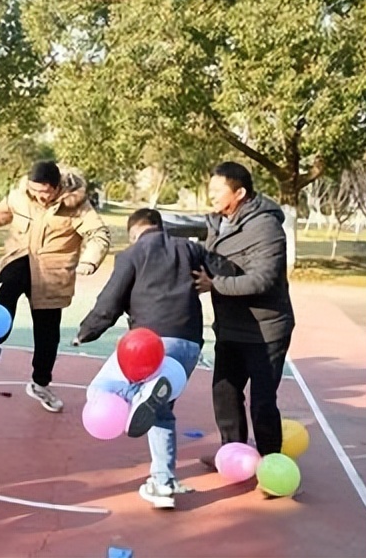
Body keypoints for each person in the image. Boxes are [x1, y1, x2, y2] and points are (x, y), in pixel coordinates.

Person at [74, 208, 238, 509]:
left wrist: (86, 332)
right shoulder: (189, 248)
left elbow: (109, 301)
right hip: (189, 344)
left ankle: (144, 394)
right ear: (161, 227)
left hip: (148, 345)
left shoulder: (132, 254)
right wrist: (210, 281)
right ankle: (163, 483)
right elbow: (226, 269)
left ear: (134, 232)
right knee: (161, 413)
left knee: (102, 389)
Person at [0, 161, 111, 412]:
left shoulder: (77, 207)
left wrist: (90, 260)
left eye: (44, 191)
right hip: (21, 259)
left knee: (47, 335)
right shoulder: (20, 196)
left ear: (56, 188)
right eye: (34, 190)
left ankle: (40, 383)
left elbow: (98, 233)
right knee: (8, 290)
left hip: (52, 275)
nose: (38, 196)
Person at [193, 162, 295, 461]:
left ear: (239, 192)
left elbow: (263, 279)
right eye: (209, 189)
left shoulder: (265, 227)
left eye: (217, 190)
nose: (211, 195)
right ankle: (233, 456)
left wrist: (215, 284)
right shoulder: (216, 222)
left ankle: (271, 463)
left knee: (262, 402)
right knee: (225, 392)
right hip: (229, 326)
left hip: (265, 329)